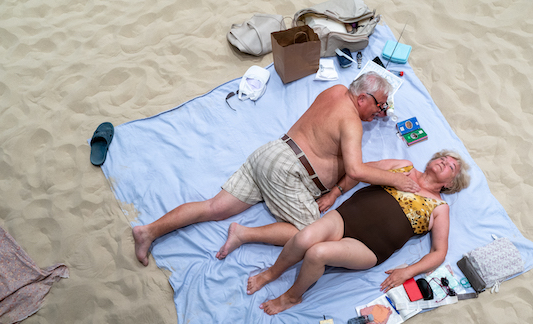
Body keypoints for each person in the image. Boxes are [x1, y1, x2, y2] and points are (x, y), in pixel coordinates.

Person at [133, 72, 419, 266]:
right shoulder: (352, 122)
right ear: (362, 98)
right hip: (289, 173)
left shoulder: (335, 91)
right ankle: (243, 233)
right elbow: (356, 170)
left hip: (271, 153)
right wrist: (399, 182)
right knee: (311, 233)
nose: (380, 113)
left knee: (212, 207)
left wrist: (334, 192)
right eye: (380, 106)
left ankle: (148, 231)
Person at [244, 150, 471, 315]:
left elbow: (439, 252)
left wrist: (408, 272)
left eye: (451, 166)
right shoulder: (404, 166)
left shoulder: (439, 207)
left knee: (317, 253)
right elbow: (360, 170)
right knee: (303, 238)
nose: (443, 162)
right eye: (442, 158)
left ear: (450, 184)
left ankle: (292, 296)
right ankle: (272, 272)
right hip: (343, 218)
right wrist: (335, 193)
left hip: (368, 248)